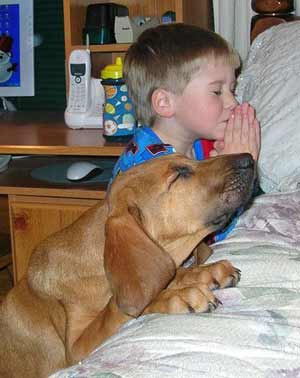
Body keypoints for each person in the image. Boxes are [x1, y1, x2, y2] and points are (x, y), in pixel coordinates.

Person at [109, 23, 260, 242]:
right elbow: (201, 241)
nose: (233, 102)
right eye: (217, 91)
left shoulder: (199, 145)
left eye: (232, 90)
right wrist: (238, 172)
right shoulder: (151, 172)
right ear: (164, 102)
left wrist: (234, 169)